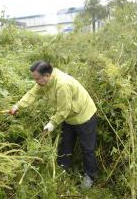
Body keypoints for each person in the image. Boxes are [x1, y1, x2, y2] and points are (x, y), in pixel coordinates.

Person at [10, 61, 98, 189]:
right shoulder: (44, 82)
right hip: (69, 117)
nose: (36, 82)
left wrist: (52, 123)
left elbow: (64, 110)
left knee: (87, 149)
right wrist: (18, 105)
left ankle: (90, 176)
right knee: (65, 144)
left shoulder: (62, 84)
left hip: (85, 117)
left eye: (37, 79)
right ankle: (63, 169)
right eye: (34, 79)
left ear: (46, 75)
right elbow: (33, 94)